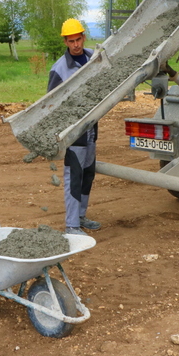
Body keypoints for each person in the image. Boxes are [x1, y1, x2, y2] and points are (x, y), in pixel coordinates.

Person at [47, 18, 101, 236]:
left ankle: (80, 216)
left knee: (88, 174)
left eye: (78, 39)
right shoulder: (59, 69)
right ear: (65, 42)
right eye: (71, 41)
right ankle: (71, 226)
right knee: (74, 177)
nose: (76, 44)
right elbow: (50, 105)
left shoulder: (94, 58)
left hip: (91, 129)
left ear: (83, 37)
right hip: (73, 134)